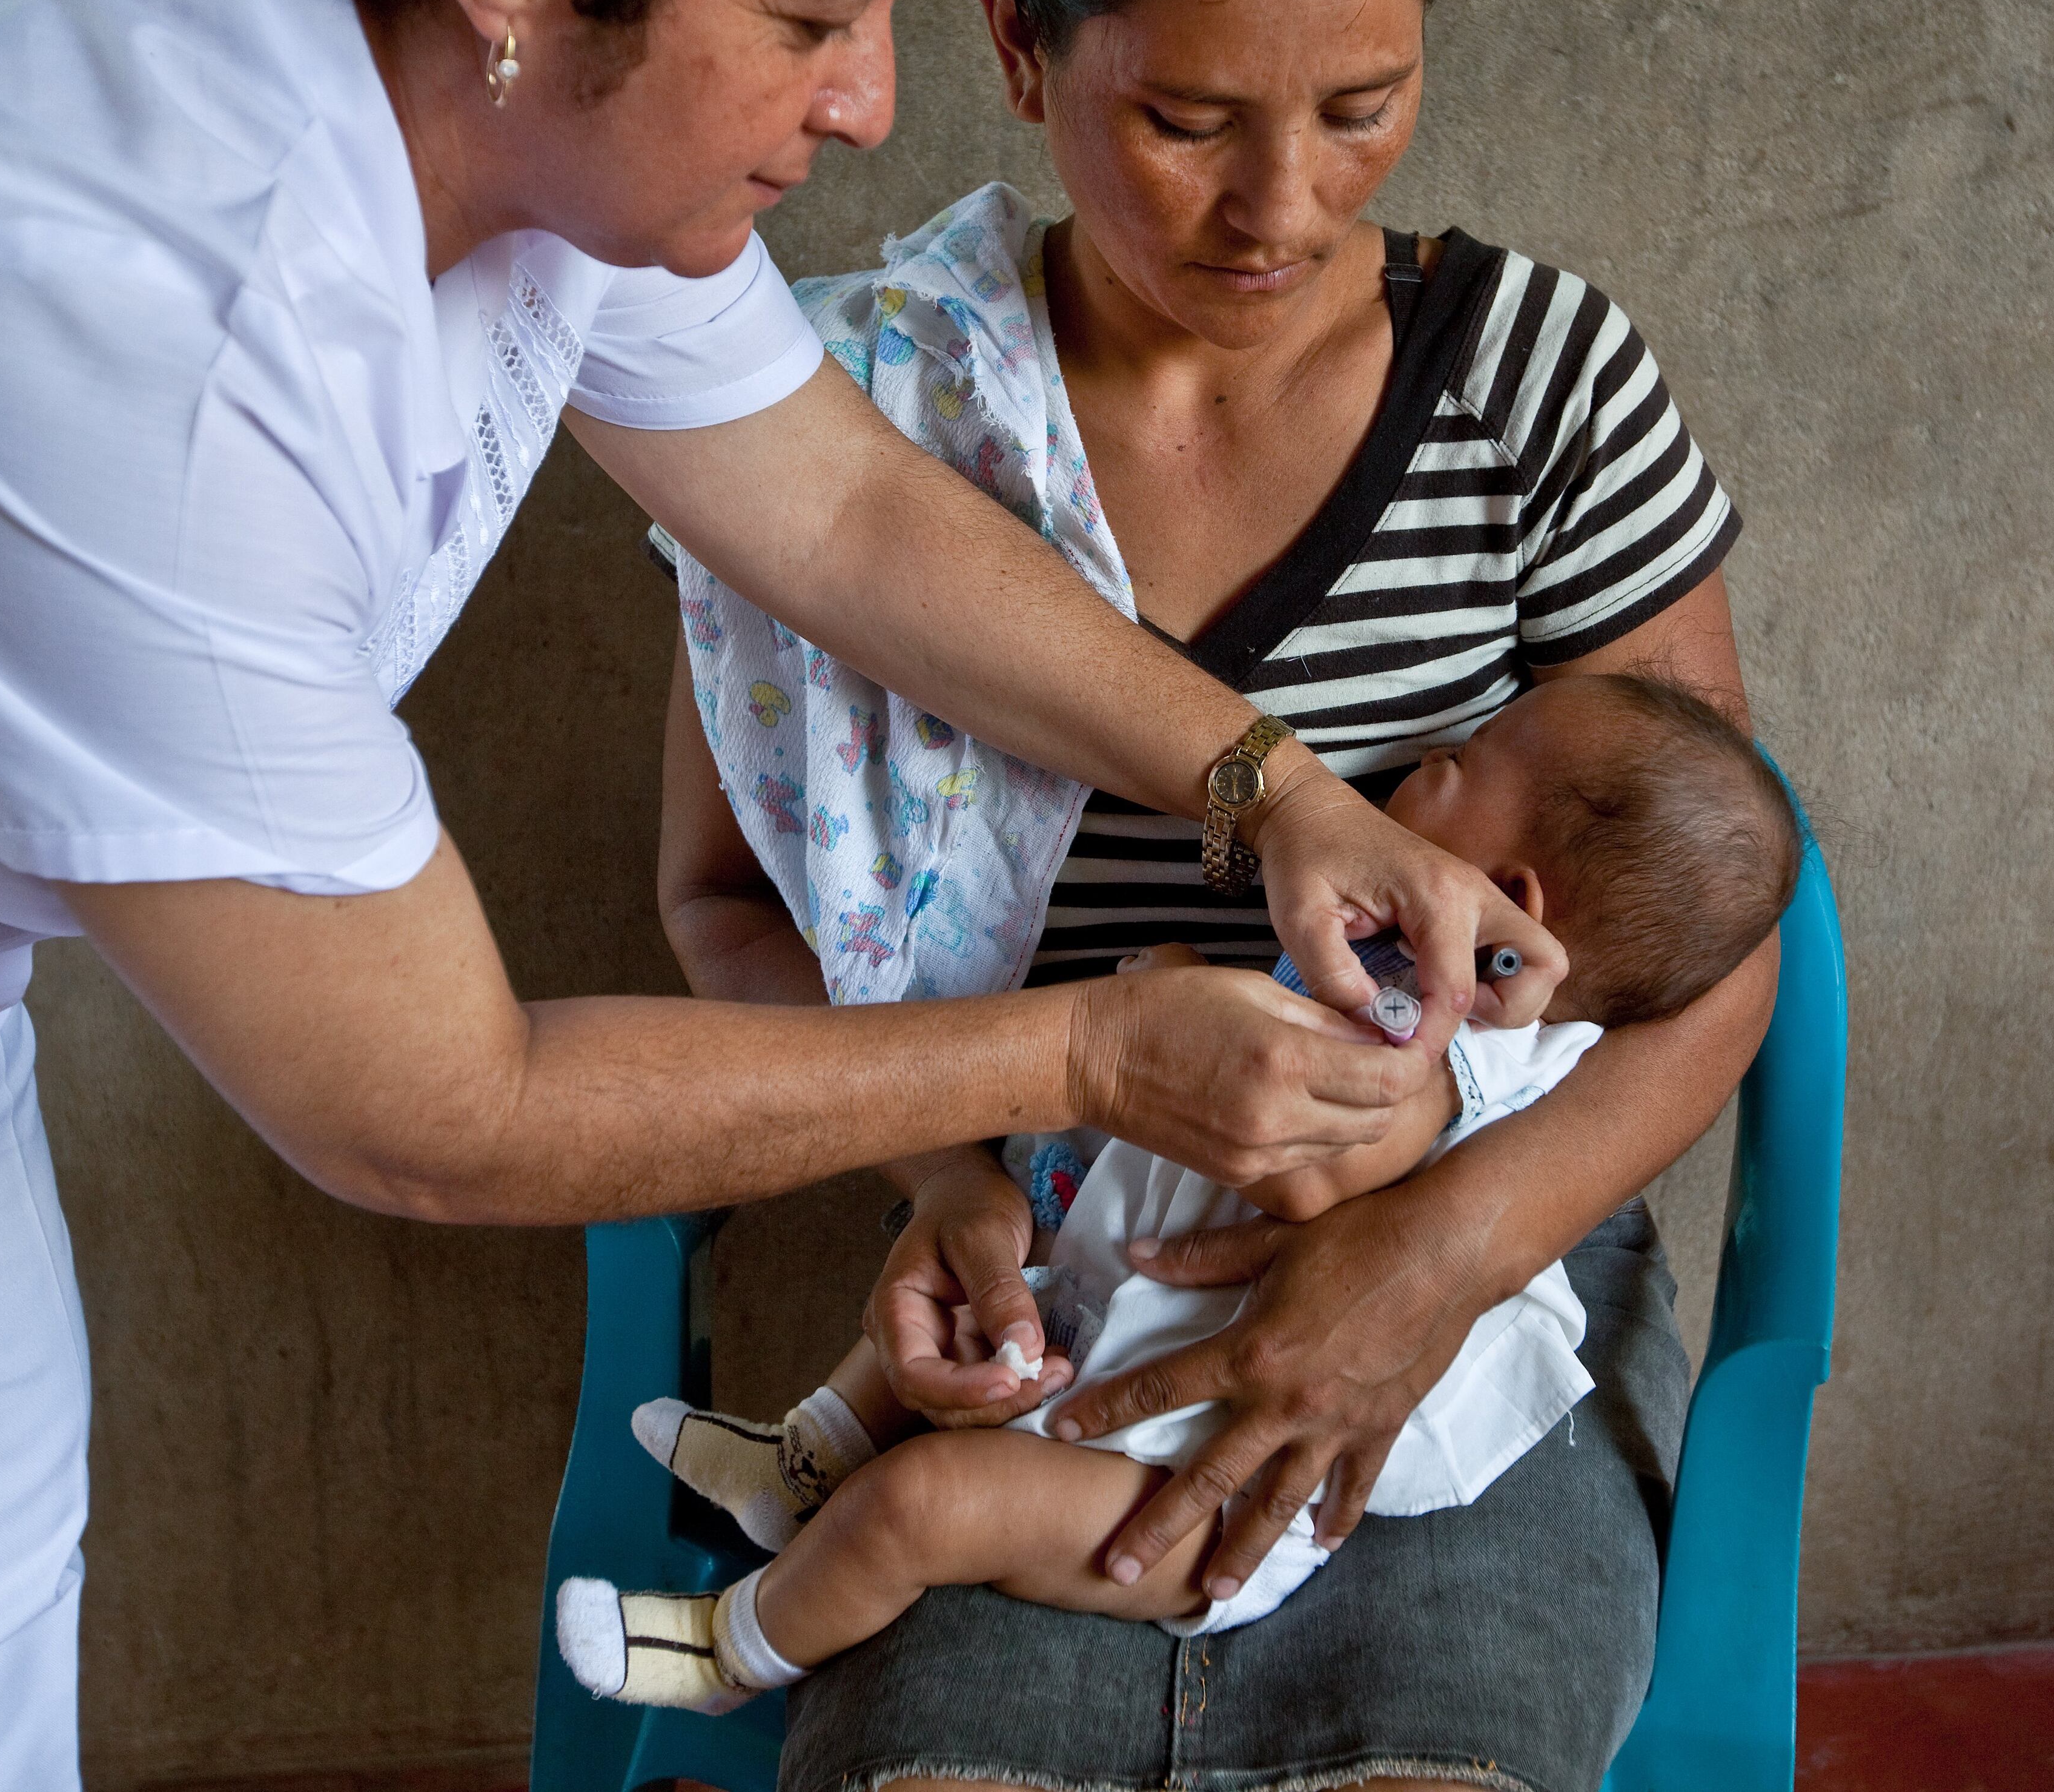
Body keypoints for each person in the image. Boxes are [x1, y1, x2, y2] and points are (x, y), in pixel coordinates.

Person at [0, 0, 1560, 1785]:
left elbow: (843, 522)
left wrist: (1274, 786)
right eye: (813, 22)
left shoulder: (532, 83)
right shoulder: (111, 317)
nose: (877, 100)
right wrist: (1086, 1058)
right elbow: (434, 1106)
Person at [648, 0, 1782, 1788]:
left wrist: (1430, 1257)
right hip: (1059, 1273)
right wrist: (955, 1179)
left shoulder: (1534, 391)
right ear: (1013, 44)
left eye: (1362, 106)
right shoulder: (854, 425)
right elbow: (730, 905)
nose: (1282, 209)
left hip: (1492, 1271)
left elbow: (1709, 953)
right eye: (1185, 121)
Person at [567, 674, 1800, 1708]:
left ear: (1512, 904)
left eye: (1462, 760)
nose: (1423, 756)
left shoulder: (1455, 1046)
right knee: (947, 1315)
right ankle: (801, 1464)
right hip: (1110, 1289)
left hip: (1177, 1472)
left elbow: (1313, 1165)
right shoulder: (1398, 971)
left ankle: (732, 1645)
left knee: (922, 1505)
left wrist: (1159, 1028)